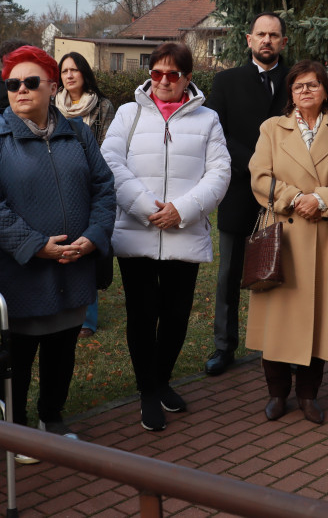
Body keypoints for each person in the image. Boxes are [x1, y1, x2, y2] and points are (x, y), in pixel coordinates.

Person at [0, 45, 115, 454]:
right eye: (13, 84)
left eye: (31, 82)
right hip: (22, 273)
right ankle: (16, 431)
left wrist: (95, 233)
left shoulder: (79, 133)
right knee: (19, 356)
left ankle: (51, 417)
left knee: (62, 350)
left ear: (52, 87)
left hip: (74, 266)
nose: (20, 90)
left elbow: (104, 188)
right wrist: (35, 246)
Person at [101, 41, 230, 431]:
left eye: (172, 75)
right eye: (156, 73)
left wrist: (182, 211)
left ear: (188, 78)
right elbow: (110, 163)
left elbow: (219, 173)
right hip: (137, 232)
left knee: (175, 317)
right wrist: (145, 206)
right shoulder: (128, 114)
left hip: (183, 232)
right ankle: (147, 392)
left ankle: (162, 381)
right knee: (142, 316)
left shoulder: (208, 120)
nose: (162, 81)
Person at [246, 60, 328, 424]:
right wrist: (296, 199)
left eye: (313, 85)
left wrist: (323, 199)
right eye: (298, 87)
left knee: (320, 318)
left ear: (325, 90)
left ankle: (309, 395)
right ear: (290, 93)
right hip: (285, 235)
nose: (306, 91)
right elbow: (259, 177)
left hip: (325, 235)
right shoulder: (272, 129)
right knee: (277, 319)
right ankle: (277, 394)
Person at [204, 12, 290, 376]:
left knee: (282, 270)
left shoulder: (297, 80)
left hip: (286, 193)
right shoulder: (226, 82)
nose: (267, 40)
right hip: (240, 189)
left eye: (274, 35)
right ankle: (224, 347)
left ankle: (280, 344)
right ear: (248, 39)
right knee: (229, 276)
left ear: (283, 42)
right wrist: (256, 166)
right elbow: (215, 132)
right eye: (261, 34)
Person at [54, 51, 117, 338]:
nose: (69, 75)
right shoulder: (53, 106)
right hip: (55, 184)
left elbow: (108, 148)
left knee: (85, 247)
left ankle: (87, 319)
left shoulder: (102, 106)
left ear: (84, 74)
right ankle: (59, 306)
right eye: (64, 71)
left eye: (74, 70)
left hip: (89, 184)